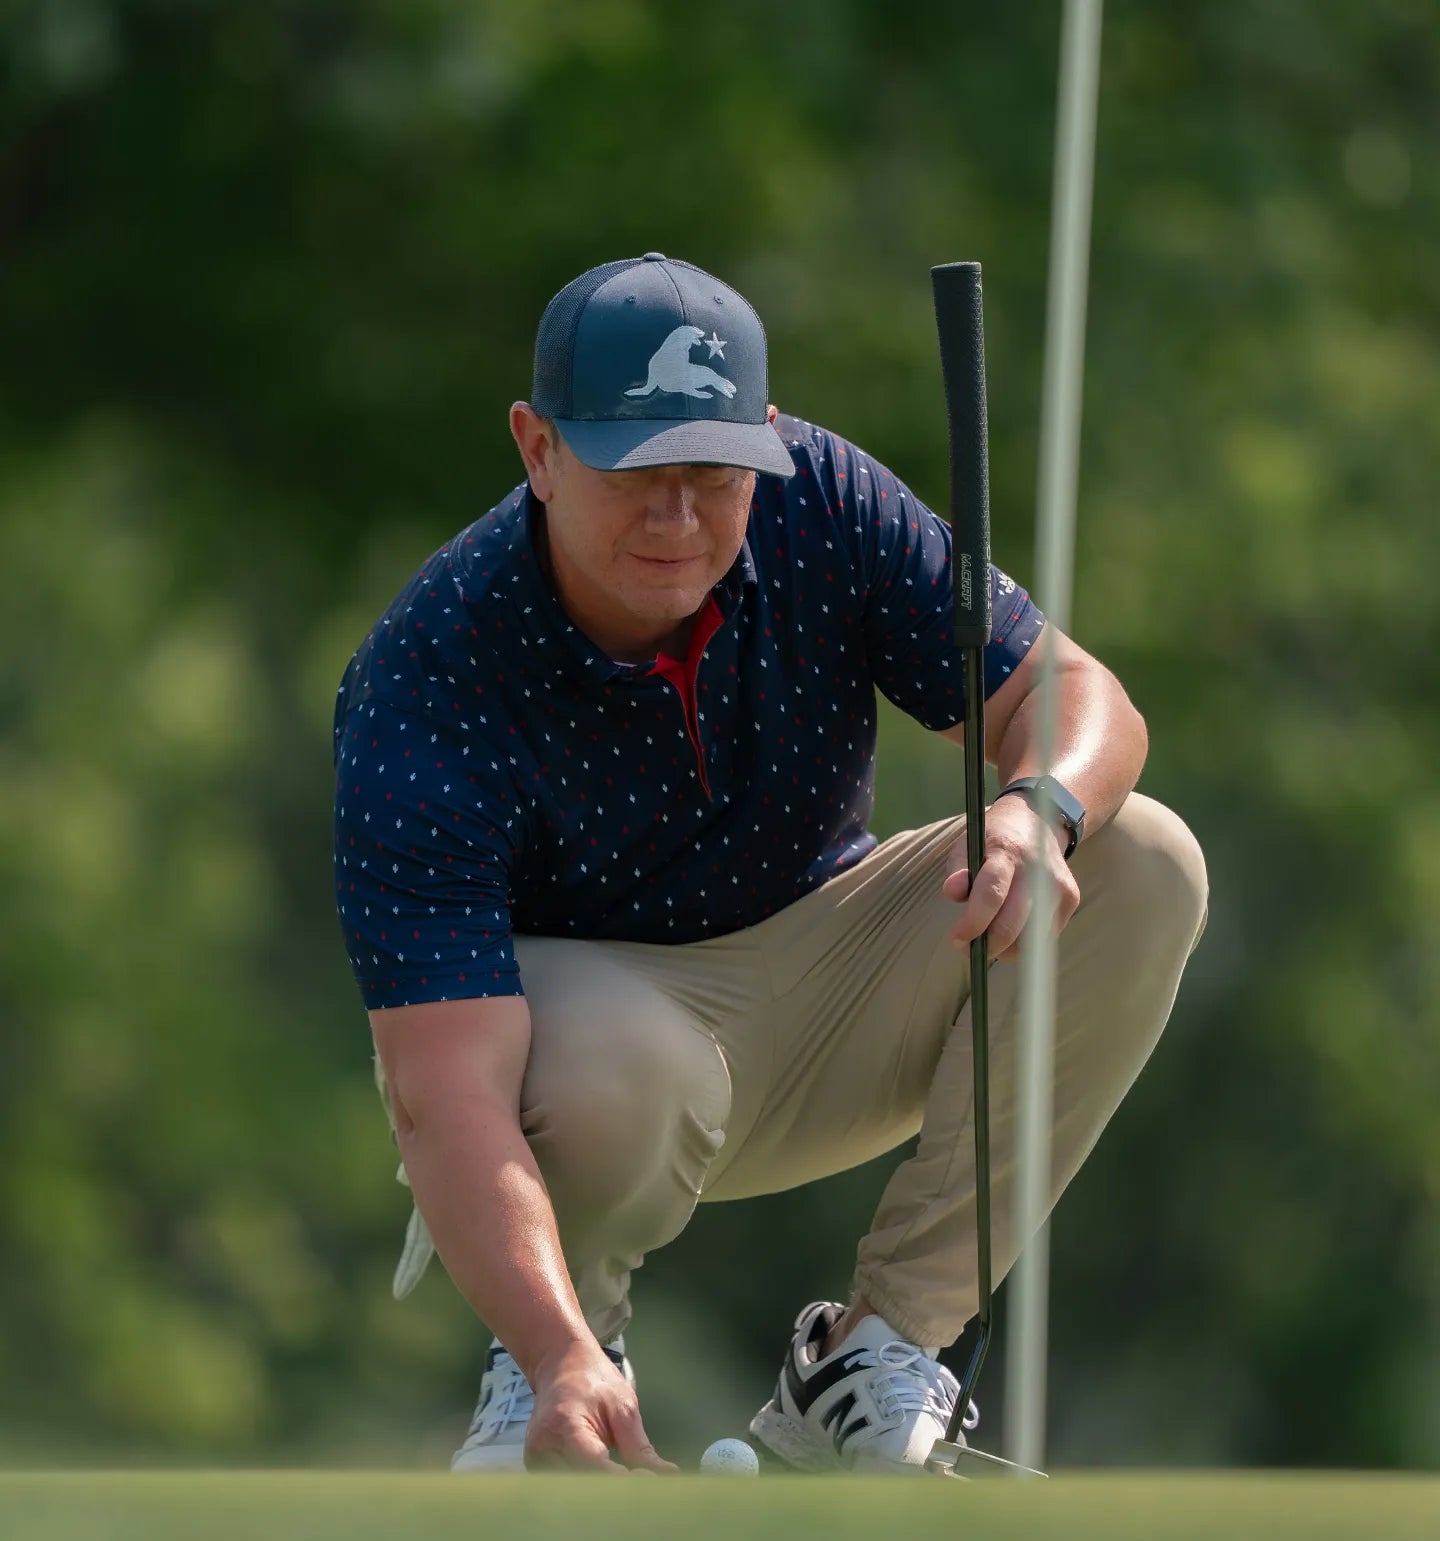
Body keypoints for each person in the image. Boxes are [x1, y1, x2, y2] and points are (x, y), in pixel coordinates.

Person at [332, 252, 1208, 1476]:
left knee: (1145, 855)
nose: (678, 516)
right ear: (537, 449)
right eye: (636, 470)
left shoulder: (824, 503)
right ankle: (566, 1371)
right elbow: (446, 1092)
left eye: (713, 470)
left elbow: (1072, 693)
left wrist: (1037, 809)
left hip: (835, 985)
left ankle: (875, 1359)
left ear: (769, 442)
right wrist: (552, 1349)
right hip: (595, 1059)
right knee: (617, 1068)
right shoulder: (431, 673)